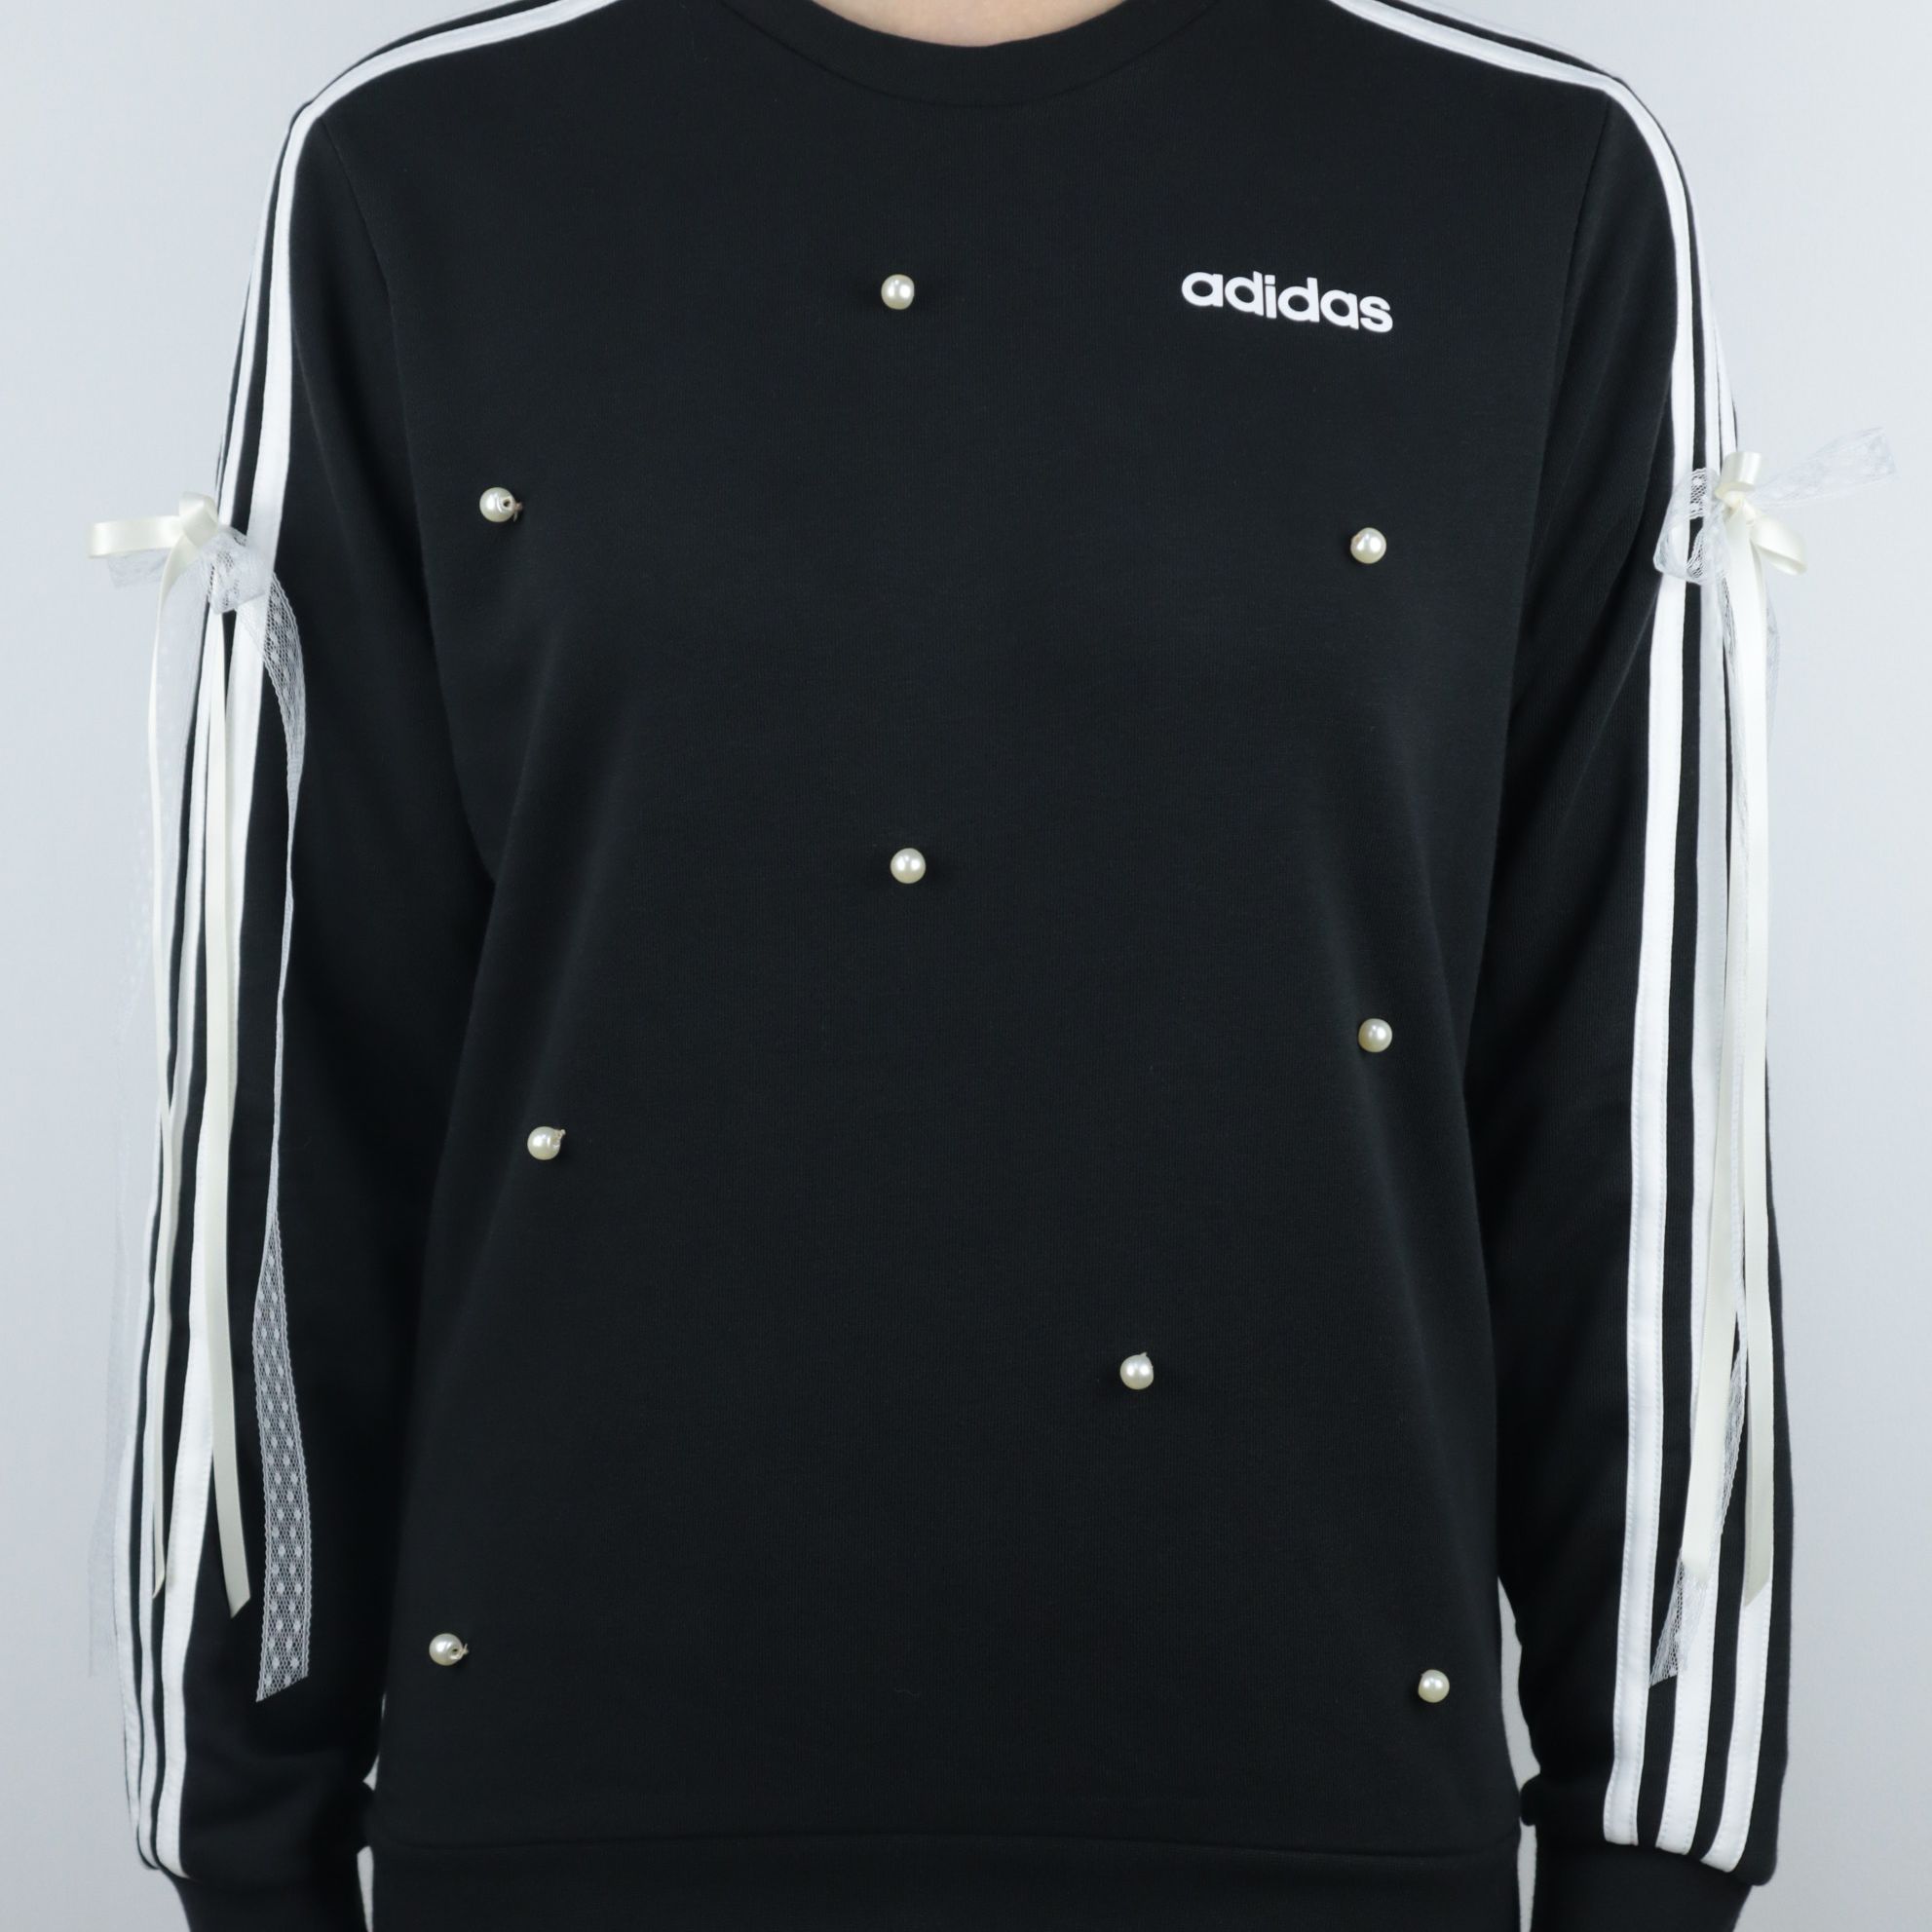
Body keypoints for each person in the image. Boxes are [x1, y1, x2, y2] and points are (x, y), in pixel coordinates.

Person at [98, 2, 1796, 1927]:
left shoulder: (1524, 177)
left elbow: (1627, 1089)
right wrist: (248, 1823)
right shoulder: (422, 169)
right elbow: (296, 1083)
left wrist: (1651, 1838)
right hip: (577, 1815)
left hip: (1305, 1804)